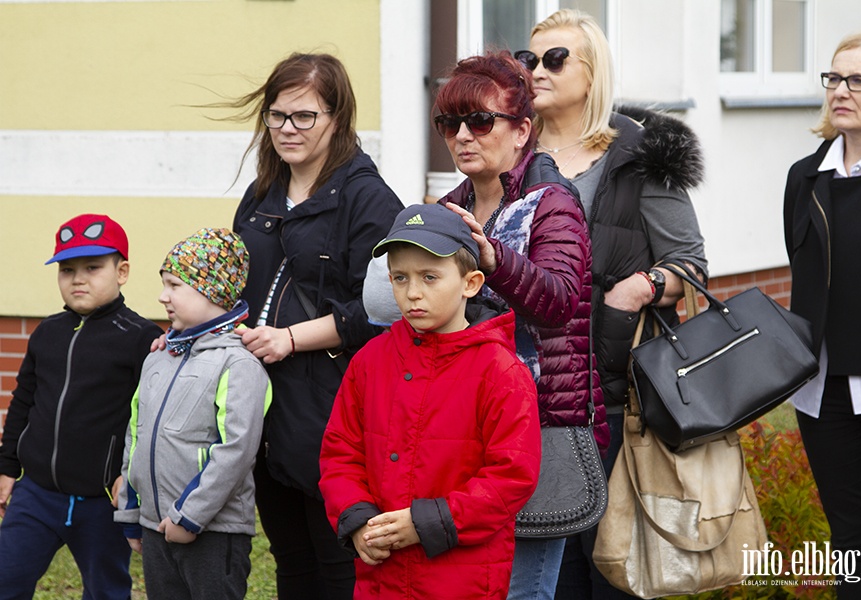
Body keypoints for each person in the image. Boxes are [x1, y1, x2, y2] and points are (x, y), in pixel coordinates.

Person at [514, 9, 708, 599]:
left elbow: (691, 266)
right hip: (527, 389)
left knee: (611, 566)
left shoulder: (638, 153)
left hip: (615, 393)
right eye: (528, 59)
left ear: (593, 72)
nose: (536, 72)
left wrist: (641, 287)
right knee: (544, 567)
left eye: (555, 59)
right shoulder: (511, 151)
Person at [228, 52, 404, 598]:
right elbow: (238, 288)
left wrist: (289, 339)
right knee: (288, 557)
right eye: (277, 116)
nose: (287, 129)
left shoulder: (367, 199)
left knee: (336, 561)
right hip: (262, 399)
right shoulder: (260, 196)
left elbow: (382, 310)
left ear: (337, 118)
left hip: (332, 403)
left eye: (304, 116)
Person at [432, 50, 605, 600]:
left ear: (521, 130)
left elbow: (558, 301)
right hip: (463, 426)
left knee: (522, 590)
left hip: (539, 427)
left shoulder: (552, 203)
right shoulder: (446, 208)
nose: (463, 135)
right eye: (449, 123)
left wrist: (492, 259)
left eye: (480, 121)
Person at [319, 203, 541, 598]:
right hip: (381, 576)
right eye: (400, 278)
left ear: (470, 283)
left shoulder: (500, 370)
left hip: (461, 577)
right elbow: (340, 452)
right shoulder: (370, 361)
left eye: (430, 277)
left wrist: (426, 523)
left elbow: (511, 477)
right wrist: (358, 521)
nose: (413, 293)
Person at [784, 28, 861, 598]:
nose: (842, 91)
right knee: (852, 541)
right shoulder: (803, 176)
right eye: (834, 78)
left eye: (860, 79)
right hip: (823, 387)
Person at [0, 213, 163, 600]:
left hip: (101, 502)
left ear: (122, 271)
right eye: (67, 269)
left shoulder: (141, 338)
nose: (78, 278)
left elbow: (150, 419)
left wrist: (131, 478)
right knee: (6, 578)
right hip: (36, 494)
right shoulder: (46, 333)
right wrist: (6, 468)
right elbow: (23, 399)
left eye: (93, 267)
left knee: (106, 590)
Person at [115, 227, 272, 600]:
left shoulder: (238, 364)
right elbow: (136, 435)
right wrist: (132, 512)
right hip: (156, 528)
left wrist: (191, 516)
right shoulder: (158, 357)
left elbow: (235, 451)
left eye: (174, 285)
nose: (162, 296)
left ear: (212, 289)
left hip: (212, 533)